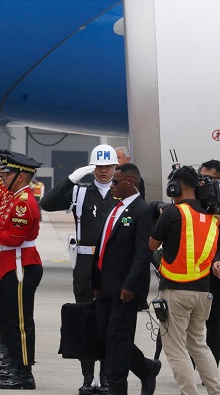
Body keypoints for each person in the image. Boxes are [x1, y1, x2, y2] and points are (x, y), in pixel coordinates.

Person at [39, 143, 118, 393]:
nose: (103, 171)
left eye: (107, 166)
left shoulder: (123, 193)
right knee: (86, 319)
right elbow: (47, 203)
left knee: (109, 322)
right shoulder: (80, 192)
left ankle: (105, 377)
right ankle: (87, 377)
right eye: (99, 166)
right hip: (85, 263)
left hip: (113, 265)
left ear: (115, 167)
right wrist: (71, 179)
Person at [0, 151, 43, 389]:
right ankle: (15, 364)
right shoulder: (16, 197)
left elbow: (14, 238)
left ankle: (24, 373)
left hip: (21, 264)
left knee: (20, 322)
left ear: (22, 177)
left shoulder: (24, 202)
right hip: (11, 263)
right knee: (8, 318)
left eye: (8, 174)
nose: (2, 177)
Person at [151, 166, 220, 395]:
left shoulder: (173, 213)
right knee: (199, 345)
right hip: (203, 292)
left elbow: (151, 245)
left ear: (175, 186)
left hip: (175, 291)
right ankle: (215, 390)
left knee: (176, 349)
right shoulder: (212, 219)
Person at [91, 163, 159, 395]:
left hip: (125, 289)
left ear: (130, 182)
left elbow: (143, 253)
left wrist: (131, 285)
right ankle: (146, 368)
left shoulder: (142, 210)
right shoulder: (116, 207)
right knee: (104, 335)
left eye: (116, 181)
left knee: (118, 338)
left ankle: (117, 388)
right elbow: (103, 247)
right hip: (105, 286)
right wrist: (97, 283)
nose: (111, 185)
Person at [199, 159, 220, 365]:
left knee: (215, 323)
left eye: (209, 178)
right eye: (200, 178)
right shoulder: (192, 202)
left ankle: (211, 366)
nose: (203, 183)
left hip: (215, 273)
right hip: (193, 273)